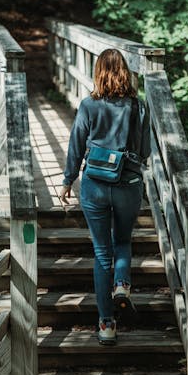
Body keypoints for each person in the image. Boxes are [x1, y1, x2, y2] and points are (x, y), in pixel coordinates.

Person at [59, 48, 151, 346]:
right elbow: (145, 150)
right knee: (122, 241)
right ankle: (122, 284)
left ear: (98, 72)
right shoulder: (139, 107)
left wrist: (67, 180)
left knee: (102, 253)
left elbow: (75, 144)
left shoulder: (88, 105)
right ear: (125, 72)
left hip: (95, 184)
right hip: (128, 184)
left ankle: (106, 324)